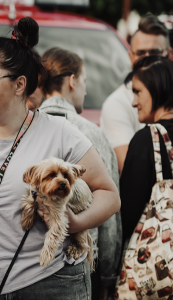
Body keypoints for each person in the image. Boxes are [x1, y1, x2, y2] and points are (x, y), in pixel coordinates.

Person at [0, 17, 120, 300]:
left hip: (52, 284)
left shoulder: (59, 132)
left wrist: (75, 222)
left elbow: (110, 195)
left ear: (19, 84)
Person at [39, 47, 122, 300]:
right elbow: (109, 216)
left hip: (30, 265)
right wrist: (108, 275)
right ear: (72, 81)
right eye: (84, 81)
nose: (85, 90)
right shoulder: (93, 134)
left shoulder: (26, 128)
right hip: (81, 261)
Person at [101, 14, 173, 176]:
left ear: (169, 54)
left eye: (155, 53)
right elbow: (132, 171)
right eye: (141, 53)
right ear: (131, 56)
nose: (147, 60)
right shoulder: (117, 104)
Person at [120, 56, 173, 243]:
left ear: (156, 88)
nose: (134, 102)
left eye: (138, 92)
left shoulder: (148, 140)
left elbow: (127, 214)